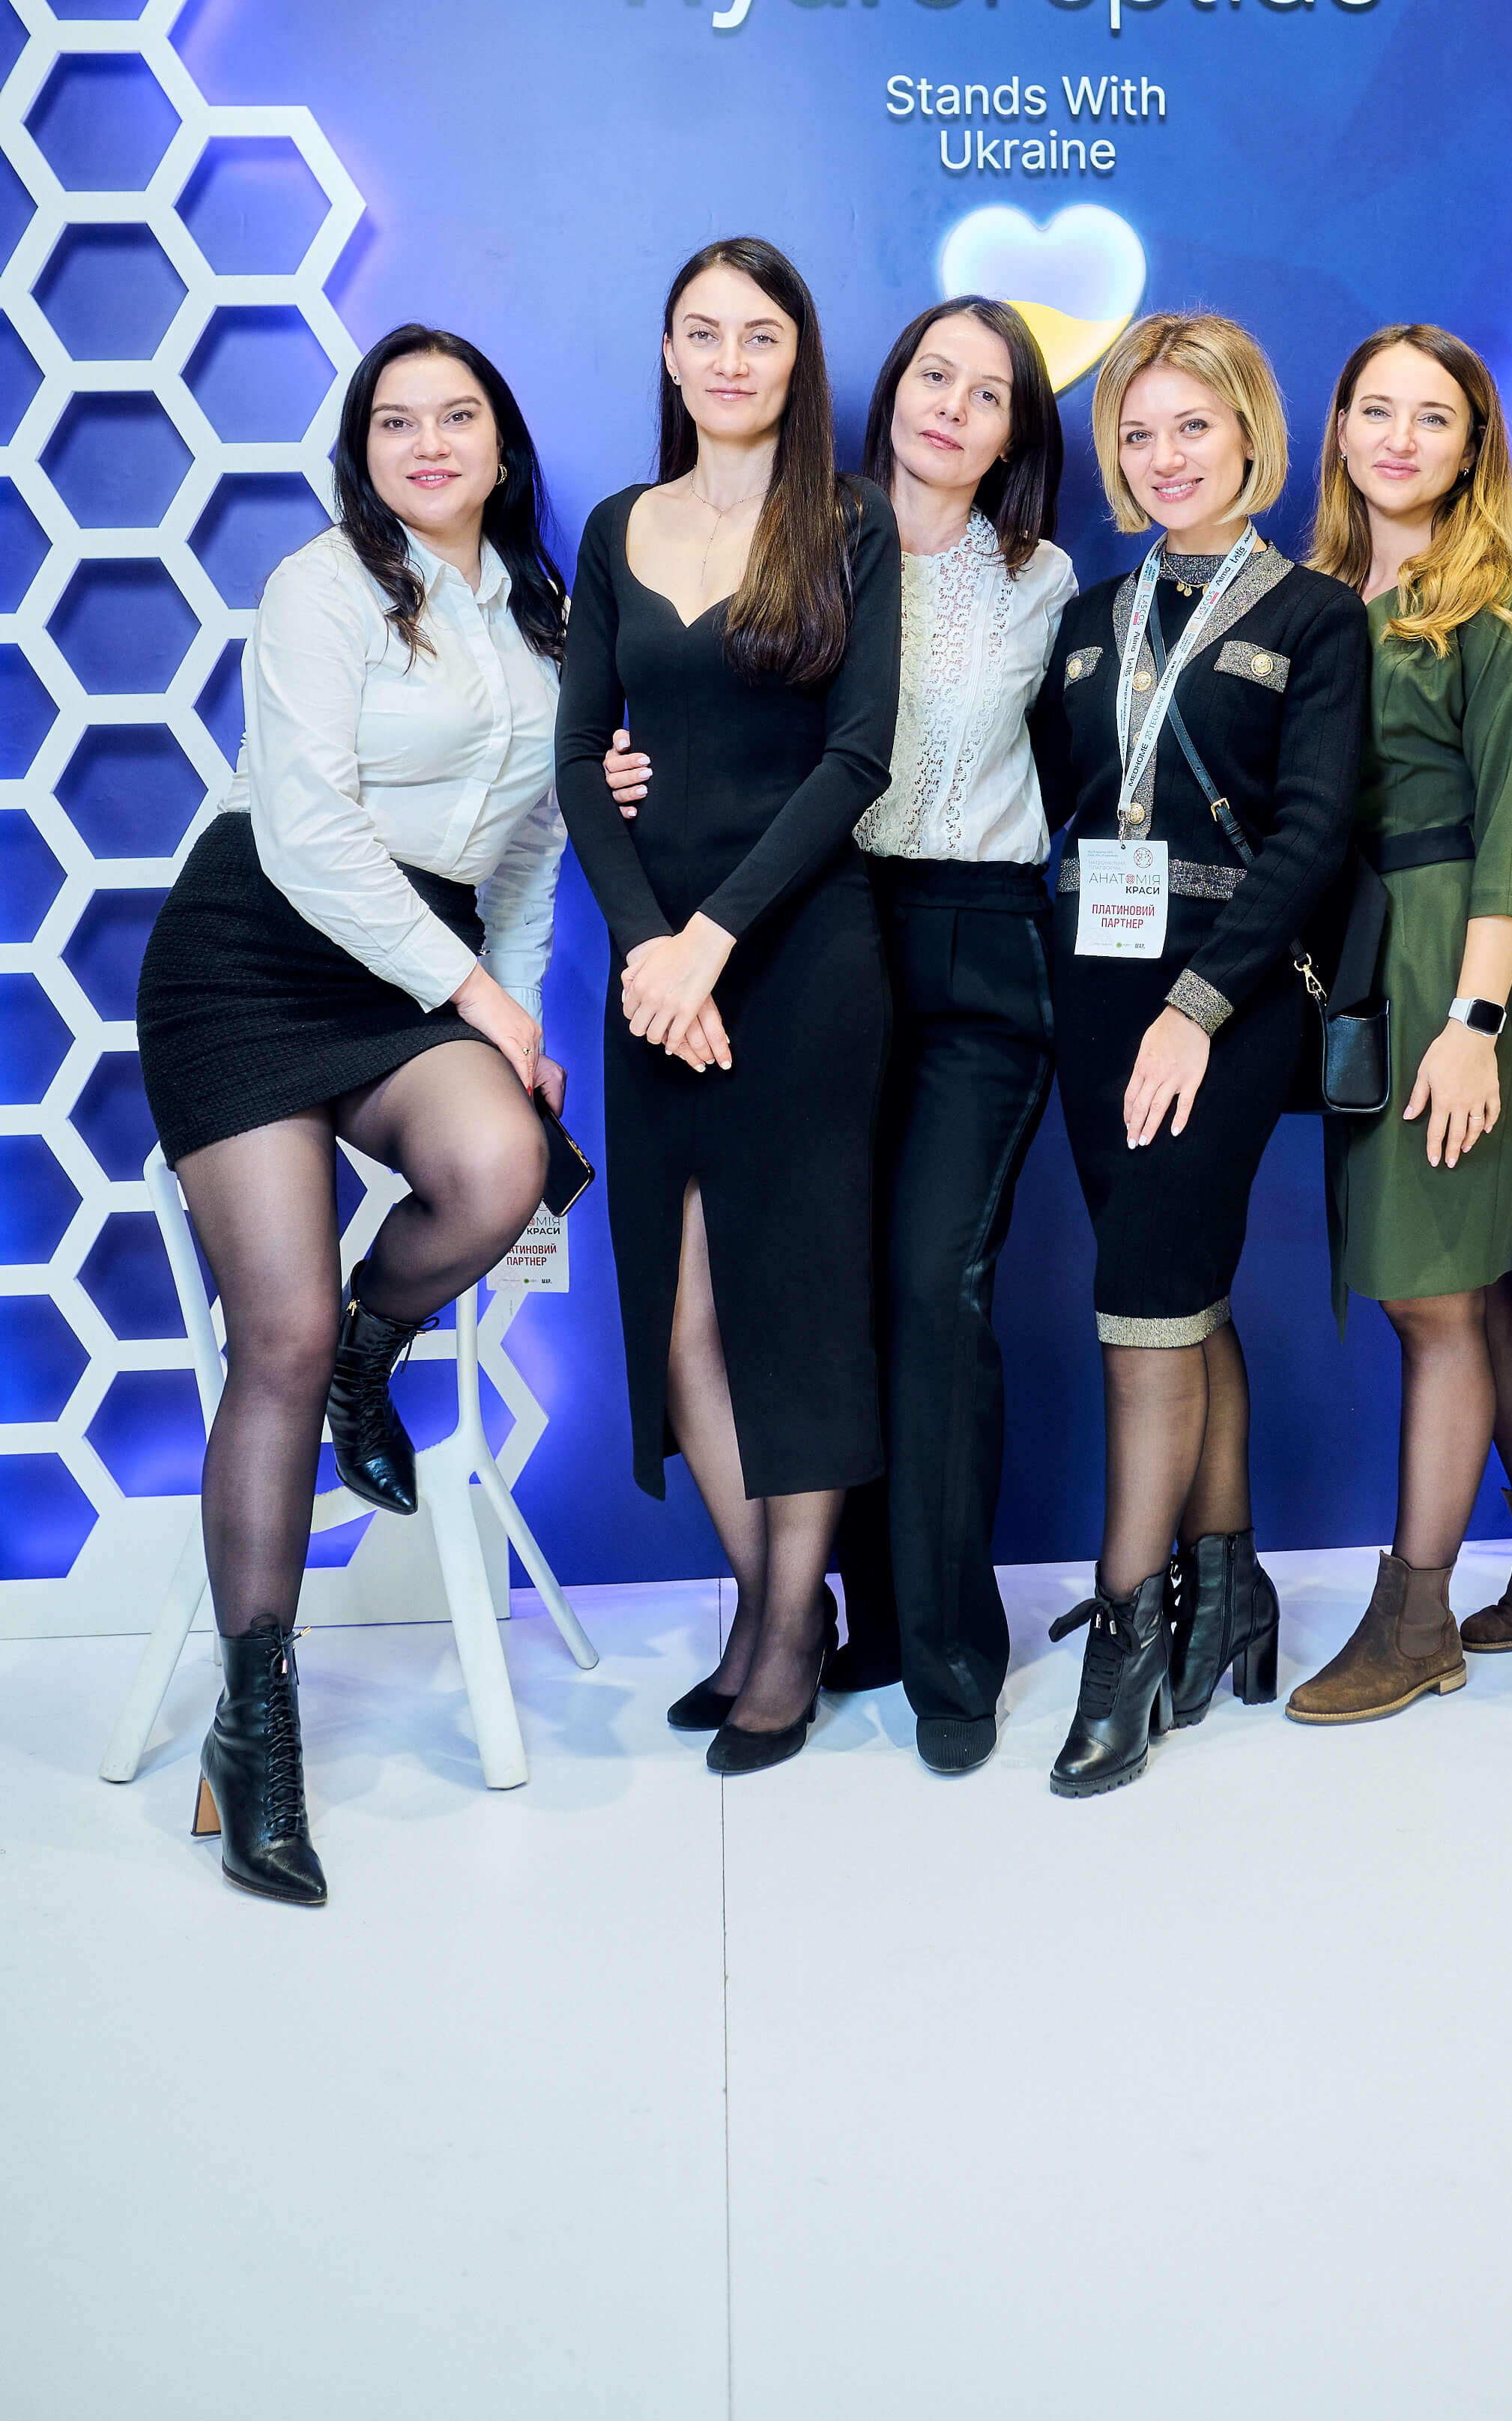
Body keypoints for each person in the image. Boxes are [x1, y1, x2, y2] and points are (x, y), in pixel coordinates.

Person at [607, 296, 1072, 1775]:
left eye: (987, 394)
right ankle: (830, 1618)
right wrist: (633, 766)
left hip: (977, 940)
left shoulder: (1045, 580)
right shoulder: (811, 534)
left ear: (1016, 433)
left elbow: (1075, 769)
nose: (951, 407)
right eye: (933, 375)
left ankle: (945, 1649)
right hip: (826, 929)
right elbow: (722, 716)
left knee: (931, 1286)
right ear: (886, 386)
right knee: (816, 1294)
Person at [135, 324, 568, 1905]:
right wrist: (479, 997)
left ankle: (370, 1359)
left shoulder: (545, 616)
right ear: (364, 449)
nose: (429, 443)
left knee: (502, 1163)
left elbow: (529, 849)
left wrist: (516, 1013)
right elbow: (312, 835)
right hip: (254, 954)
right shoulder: (320, 587)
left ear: (502, 447)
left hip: (416, 966)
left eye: (458, 417)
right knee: (280, 1332)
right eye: (397, 421)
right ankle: (255, 1721)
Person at [555, 237, 901, 1777]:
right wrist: (651, 949)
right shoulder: (615, 527)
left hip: (802, 961)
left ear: (797, 356)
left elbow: (855, 758)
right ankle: (783, 1601)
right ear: (669, 354)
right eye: (701, 332)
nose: (729, 360)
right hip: (659, 979)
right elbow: (581, 759)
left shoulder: (850, 524)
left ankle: (778, 1647)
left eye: (758, 335)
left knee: (795, 1305)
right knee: (682, 1310)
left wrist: (710, 941)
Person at [1029, 312, 1367, 1796]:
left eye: (1192, 426)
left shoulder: (1314, 616)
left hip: (1223, 997)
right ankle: (1227, 1584)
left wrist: (1197, 1004)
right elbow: (1036, 792)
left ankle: (1126, 1627)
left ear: (1248, 437)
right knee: (1175, 1297)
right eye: (1137, 431)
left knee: (1140, 1311)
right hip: (1090, 989)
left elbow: (1311, 837)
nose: (1164, 456)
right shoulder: (1089, 616)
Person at [1285, 327, 1512, 1726]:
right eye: (1376, 410)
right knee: (1470, 1281)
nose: (1399, 439)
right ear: (1338, 429)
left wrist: (1472, 1021)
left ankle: (1415, 1619)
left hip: (1449, 960)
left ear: (1472, 449)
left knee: (1433, 1296)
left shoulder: (1496, 617)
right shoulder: (1313, 598)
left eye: (1433, 417)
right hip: (1351, 962)